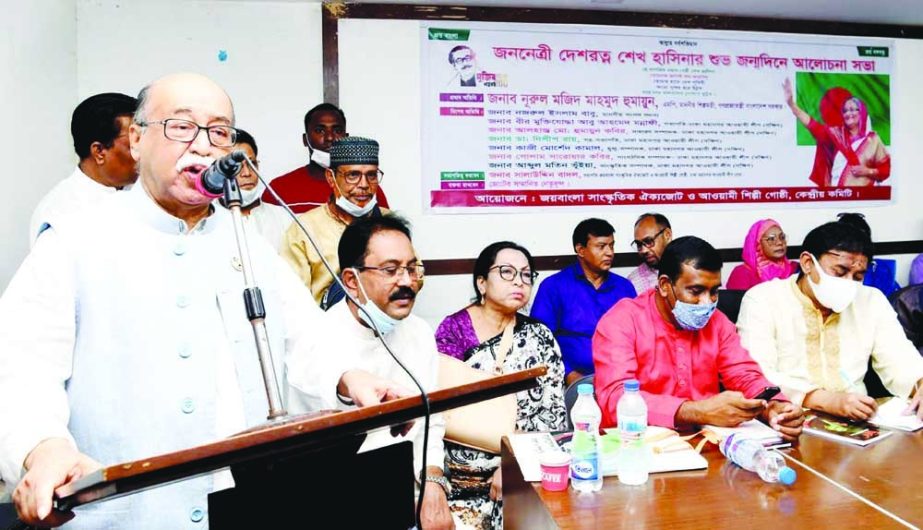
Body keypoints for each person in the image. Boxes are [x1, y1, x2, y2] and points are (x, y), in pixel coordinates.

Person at [0, 73, 405, 529]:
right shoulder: (76, 239)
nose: (203, 145)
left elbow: (302, 332)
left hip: (239, 501)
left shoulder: (244, 240)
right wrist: (42, 447)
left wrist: (349, 377)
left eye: (218, 131)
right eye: (180, 126)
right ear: (136, 139)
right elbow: (22, 366)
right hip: (126, 511)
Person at [287, 214, 453, 530]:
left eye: (411, 268)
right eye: (391, 270)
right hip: (336, 498)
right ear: (352, 280)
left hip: (410, 486)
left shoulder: (418, 331)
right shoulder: (317, 339)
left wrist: (433, 484)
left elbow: (433, 420)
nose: (406, 281)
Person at [592, 236, 804, 439]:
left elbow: (744, 375)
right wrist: (695, 411)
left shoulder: (717, 322)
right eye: (696, 291)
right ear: (665, 286)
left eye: (713, 292)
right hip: (636, 448)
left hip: (708, 444)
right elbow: (615, 399)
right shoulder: (621, 321)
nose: (707, 303)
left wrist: (775, 407)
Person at [435, 241, 565, 529]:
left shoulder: (539, 336)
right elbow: (440, 409)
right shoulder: (453, 331)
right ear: (481, 282)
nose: (519, 281)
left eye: (526, 274)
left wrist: (513, 463)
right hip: (458, 480)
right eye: (507, 272)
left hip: (525, 470)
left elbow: (554, 413)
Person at [737, 221, 923, 421]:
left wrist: (920, 383)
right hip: (787, 419)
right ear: (808, 263)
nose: (849, 283)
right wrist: (827, 400)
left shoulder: (871, 299)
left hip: (860, 422)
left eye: (858, 275)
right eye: (840, 272)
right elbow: (757, 373)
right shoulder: (763, 299)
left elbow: (899, 358)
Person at [281, 136, 389, 304]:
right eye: (353, 175)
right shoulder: (304, 228)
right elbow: (293, 297)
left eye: (372, 175)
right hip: (327, 325)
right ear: (331, 178)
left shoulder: (389, 221)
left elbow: (415, 276)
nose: (364, 185)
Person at [530, 219, 635, 385]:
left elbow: (637, 337)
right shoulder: (554, 287)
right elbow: (539, 341)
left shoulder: (624, 288)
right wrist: (568, 373)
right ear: (580, 250)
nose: (609, 253)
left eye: (612, 245)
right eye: (601, 246)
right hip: (568, 380)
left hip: (620, 379)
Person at [29, 92, 138, 245]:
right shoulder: (59, 215)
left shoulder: (147, 192)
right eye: (133, 145)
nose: (143, 153)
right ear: (99, 151)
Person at [261, 103, 388, 213]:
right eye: (320, 131)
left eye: (337, 131)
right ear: (305, 140)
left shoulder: (365, 188)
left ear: (346, 137)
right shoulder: (279, 188)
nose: (329, 138)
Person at [783, 78, 890, 187]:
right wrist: (792, 105)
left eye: (853, 109)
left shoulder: (873, 140)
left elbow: (885, 170)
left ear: (862, 112)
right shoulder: (836, 135)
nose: (848, 113)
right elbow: (813, 126)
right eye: (845, 111)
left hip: (864, 198)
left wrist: (867, 171)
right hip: (839, 196)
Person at [216, 129, 291, 251]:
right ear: (220, 170)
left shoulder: (283, 218)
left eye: (251, 164)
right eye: (236, 166)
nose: (246, 173)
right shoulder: (208, 221)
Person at [836, 212, 900, 297]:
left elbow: (894, 303)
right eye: (848, 242)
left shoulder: (881, 271)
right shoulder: (827, 270)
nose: (854, 247)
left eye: (861, 241)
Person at [726, 218, 798, 291]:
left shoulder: (795, 269)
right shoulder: (742, 273)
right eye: (771, 239)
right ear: (757, 244)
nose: (779, 243)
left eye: (782, 237)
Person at [626, 213, 673, 294]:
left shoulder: (690, 270)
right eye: (639, 244)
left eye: (649, 241)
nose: (644, 250)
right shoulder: (632, 283)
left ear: (667, 235)